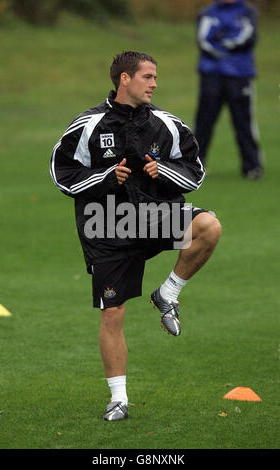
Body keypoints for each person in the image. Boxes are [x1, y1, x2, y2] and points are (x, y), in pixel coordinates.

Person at [50, 51, 221, 421]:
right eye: (147, 76)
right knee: (112, 313)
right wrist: (105, 178)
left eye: (155, 77)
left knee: (209, 227)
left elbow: (195, 171)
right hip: (107, 225)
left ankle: (168, 293)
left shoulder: (167, 124)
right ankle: (119, 399)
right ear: (124, 79)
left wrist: (165, 172)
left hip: (155, 216)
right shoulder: (88, 124)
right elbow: (60, 172)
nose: (154, 84)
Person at [194, 0, 263, 179]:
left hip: (239, 74)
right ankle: (195, 166)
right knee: (203, 122)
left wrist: (221, 39)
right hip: (211, 74)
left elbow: (248, 38)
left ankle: (252, 166)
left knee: (243, 122)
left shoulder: (248, 12)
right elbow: (203, 39)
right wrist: (224, 42)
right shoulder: (208, 12)